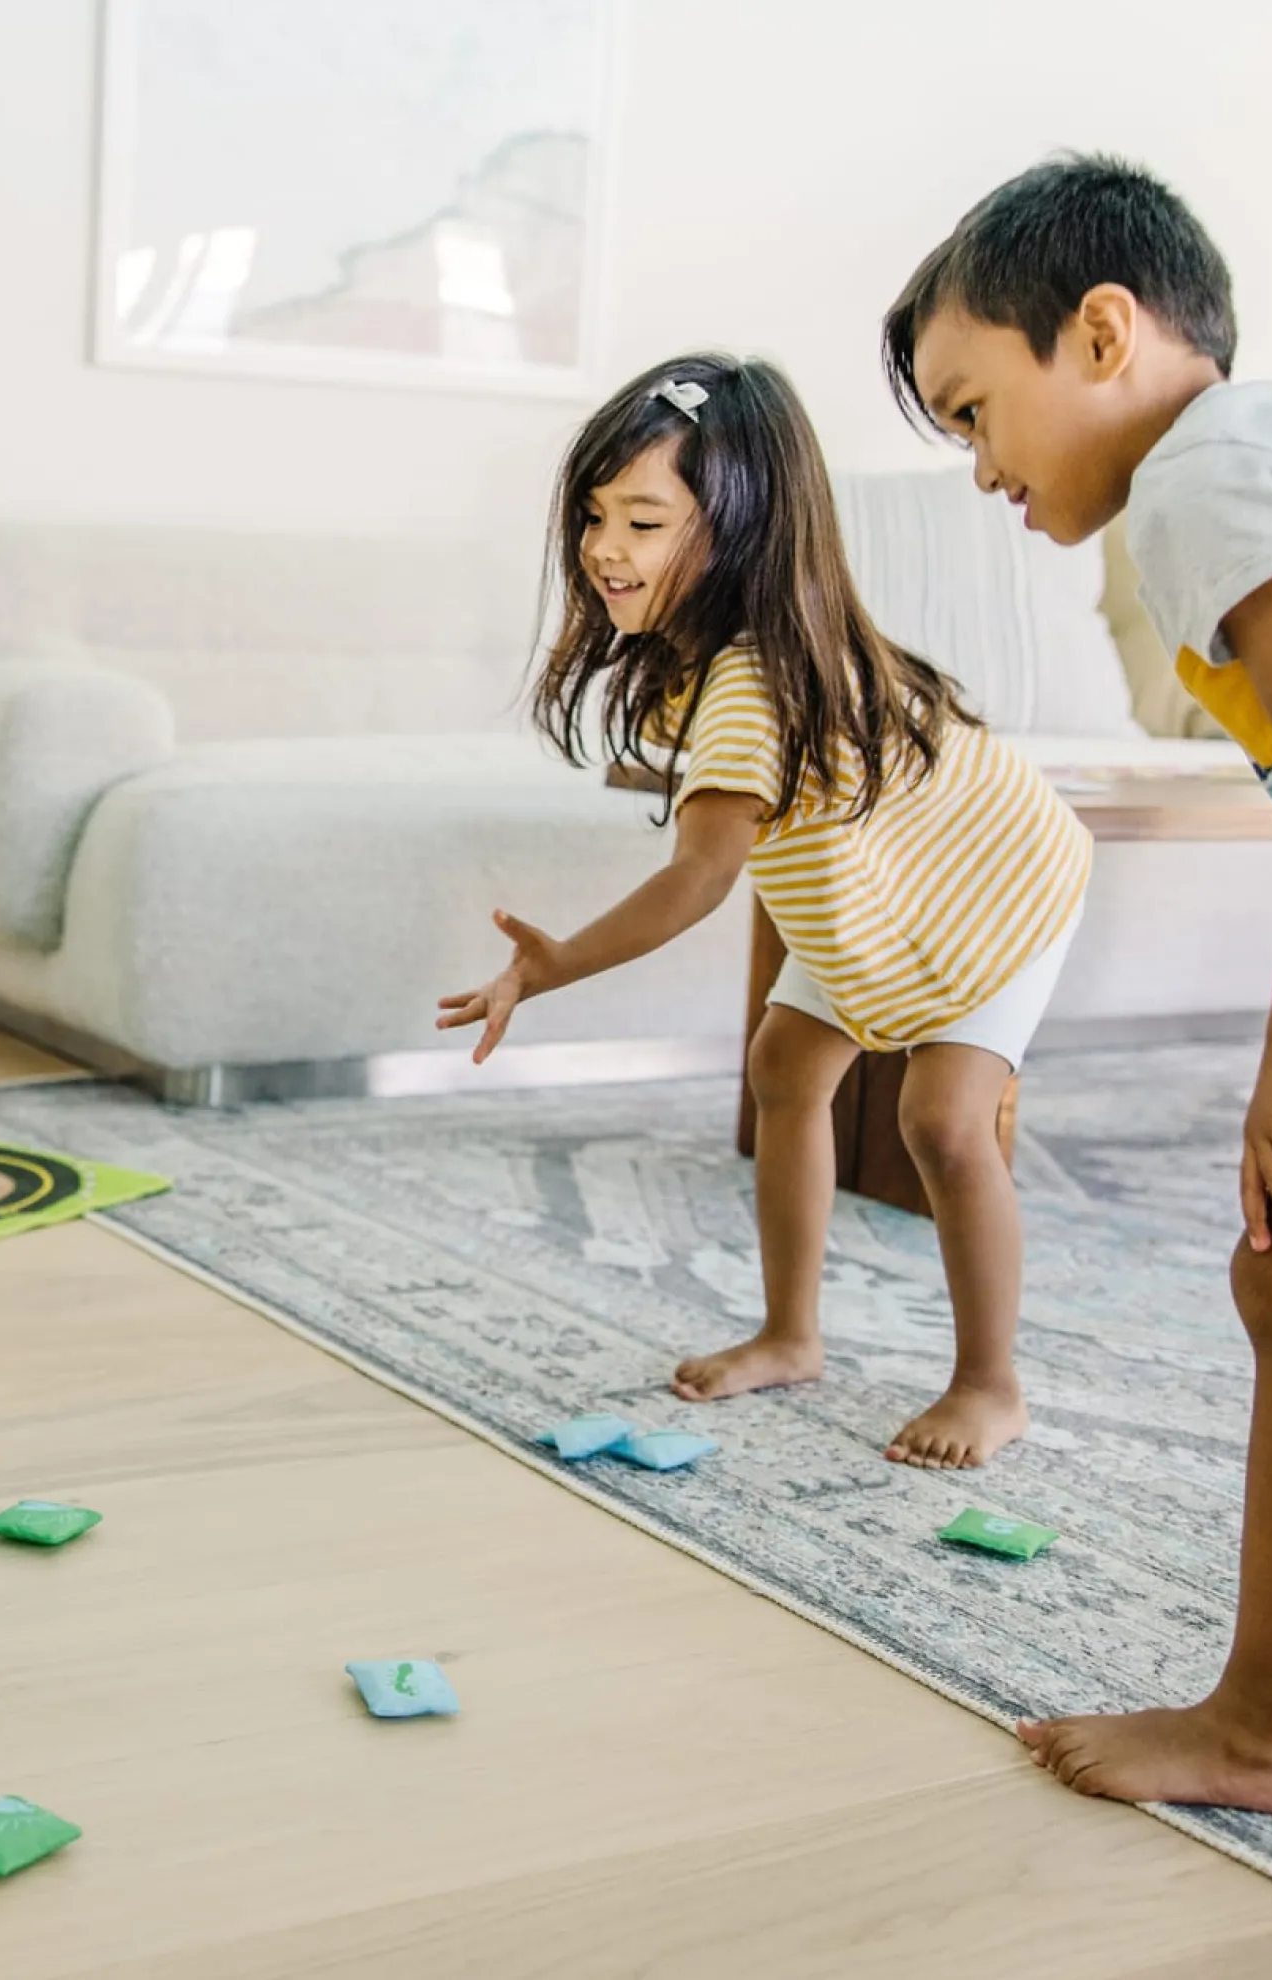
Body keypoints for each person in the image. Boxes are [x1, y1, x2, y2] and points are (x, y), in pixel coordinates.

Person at [437, 354, 1091, 1470]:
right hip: (875, 897)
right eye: (597, 516)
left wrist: (556, 965)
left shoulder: (748, 682)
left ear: (740, 530)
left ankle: (992, 1384)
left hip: (995, 886)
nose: (605, 547)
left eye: (644, 520)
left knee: (940, 1120)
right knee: (789, 1068)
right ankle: (792, 1335)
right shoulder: (718, 658)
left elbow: (698, 880)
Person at [885, 152, 1272, 1814]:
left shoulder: (1207, 475)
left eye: (976, 409)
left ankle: (1269, 1733)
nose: (978, 468)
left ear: (1106, 332)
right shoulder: (1232, 465)